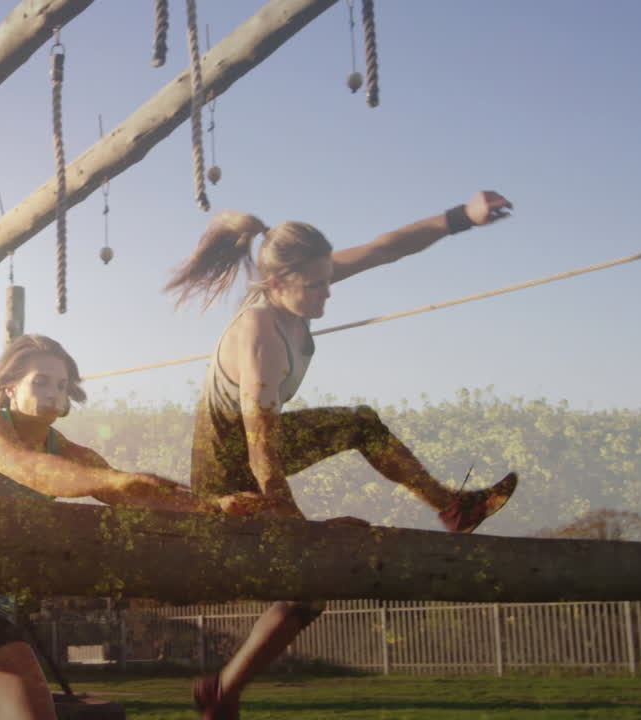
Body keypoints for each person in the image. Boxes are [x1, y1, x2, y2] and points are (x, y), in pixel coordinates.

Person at [166, 191, 521, 719]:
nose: (328, 294)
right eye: (317, 287)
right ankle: (222, 691)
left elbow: (386, 247)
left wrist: (459, 218)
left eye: (330, 279)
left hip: (266, 442)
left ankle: (453, 508)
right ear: (276, 283)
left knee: (359, 423)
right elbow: (261, 447)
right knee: (311, 589)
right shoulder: (259, 332)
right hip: (230, 470)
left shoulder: (300, 285)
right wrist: (293, 523)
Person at [0, 334, 287, 720]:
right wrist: (120, 481)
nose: (53, 393)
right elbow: (37, 473)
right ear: (10, 388)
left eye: (61, 385)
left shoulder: (71, 450)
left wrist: (211, 507)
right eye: (40, 381)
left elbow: (133, 494)